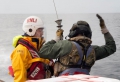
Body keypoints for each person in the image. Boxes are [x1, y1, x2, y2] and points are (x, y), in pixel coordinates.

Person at [38, 14, 116, 76]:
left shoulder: (65, 44)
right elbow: (111, 47)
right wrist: (104, 30)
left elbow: (42, 52)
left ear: (73, 32)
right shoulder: (93, 50)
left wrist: (56, 39)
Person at [10, 16, 54, 82]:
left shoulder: (38, 48)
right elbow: (19, 78)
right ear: (31, 30)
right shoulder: (21, 51)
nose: (42, 33)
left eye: (42, 30)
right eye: (40, 30)